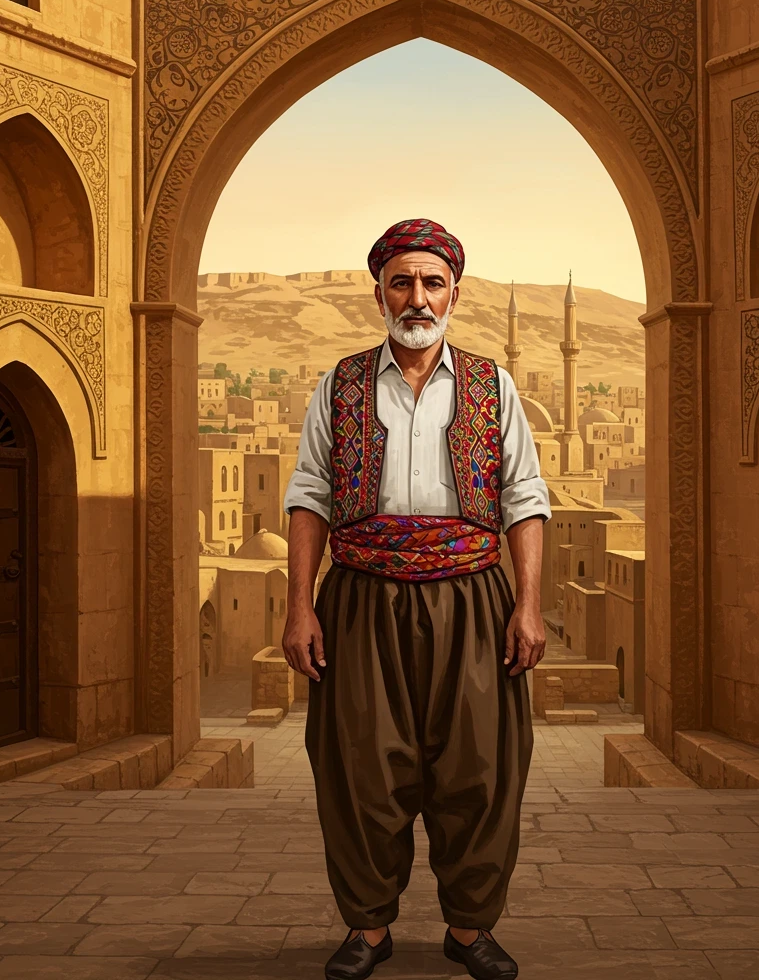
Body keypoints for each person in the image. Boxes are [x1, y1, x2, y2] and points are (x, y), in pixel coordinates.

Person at [282, 219, 551, 980]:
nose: (417, 297)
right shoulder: (339, 385)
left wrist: (526, 604)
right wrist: (301, 605)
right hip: (362, 599)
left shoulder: (492, 385)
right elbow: (310, 496)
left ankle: (470, 930)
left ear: (455, 294)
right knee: (362, 766)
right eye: (401, 281)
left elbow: (523, 498)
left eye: (432, 282)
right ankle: (368, 928)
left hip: (472, 599)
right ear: (379, 295)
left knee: (480, 767)